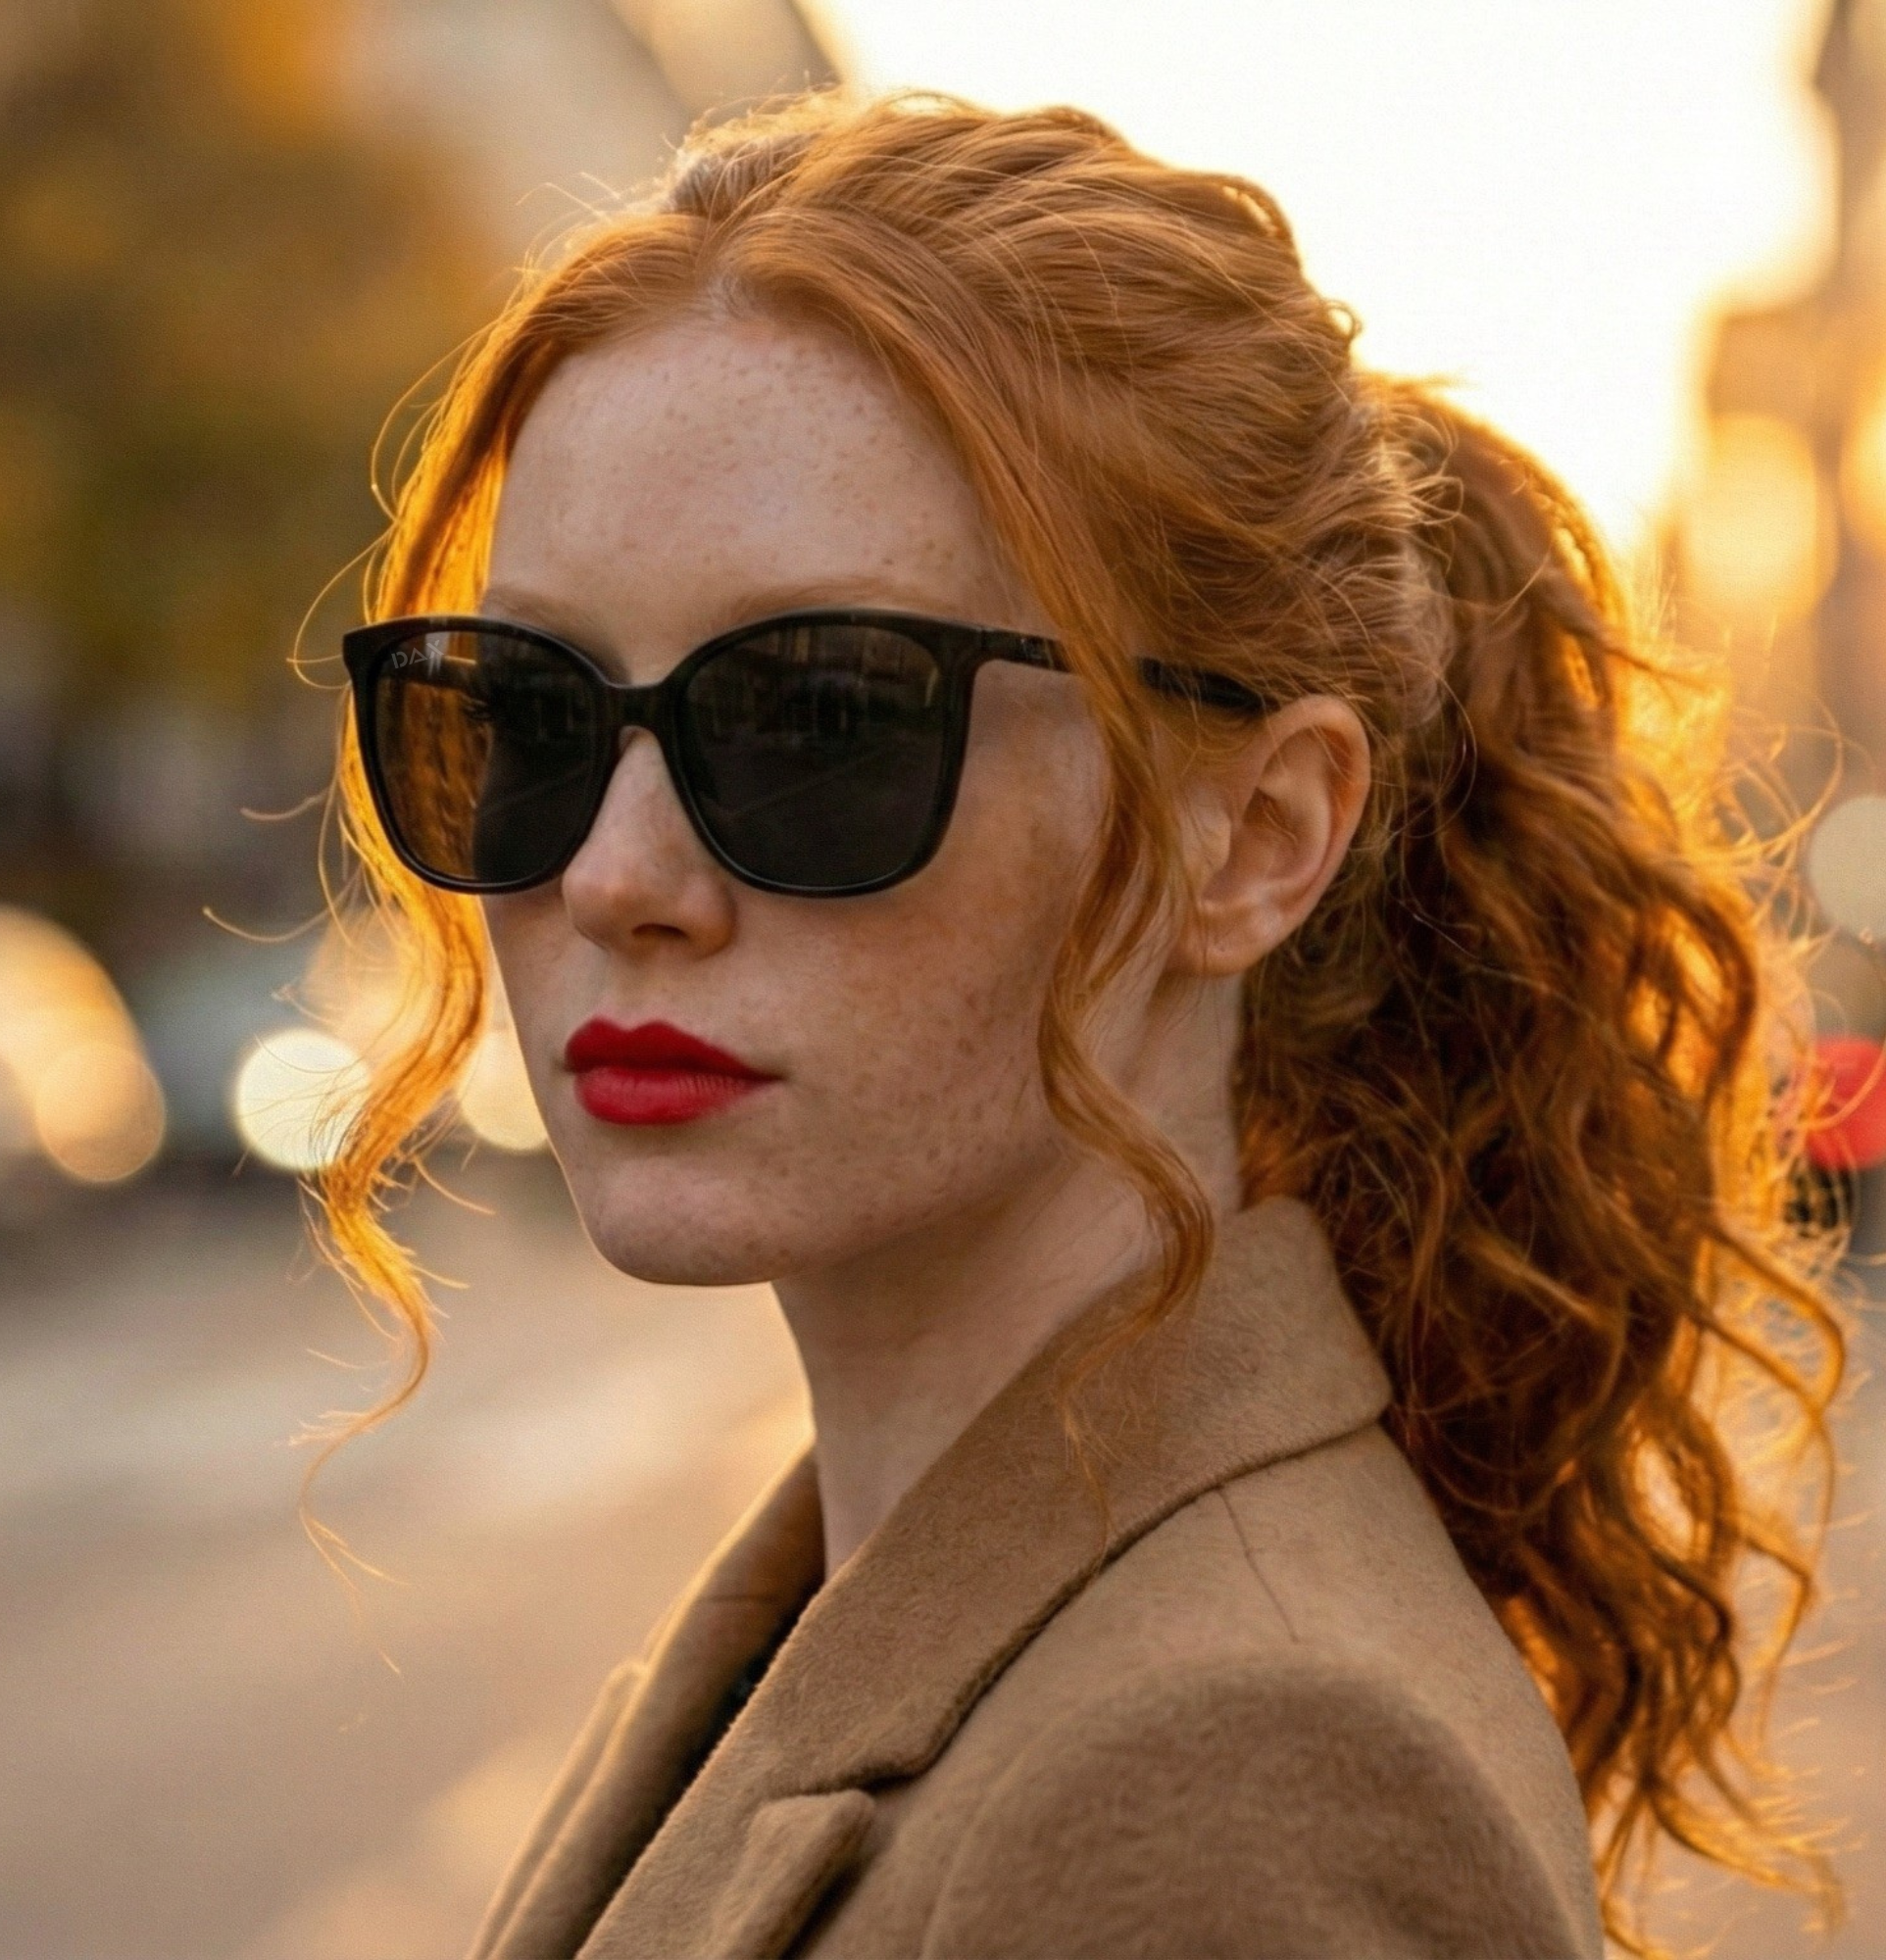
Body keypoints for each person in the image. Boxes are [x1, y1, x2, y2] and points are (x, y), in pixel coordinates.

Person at [317, 92, 1844, 1958]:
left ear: (1255, 839)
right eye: (528, 709)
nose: (617, 874)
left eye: (820, 715)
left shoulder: (1232, 1778)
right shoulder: (879, 1599)